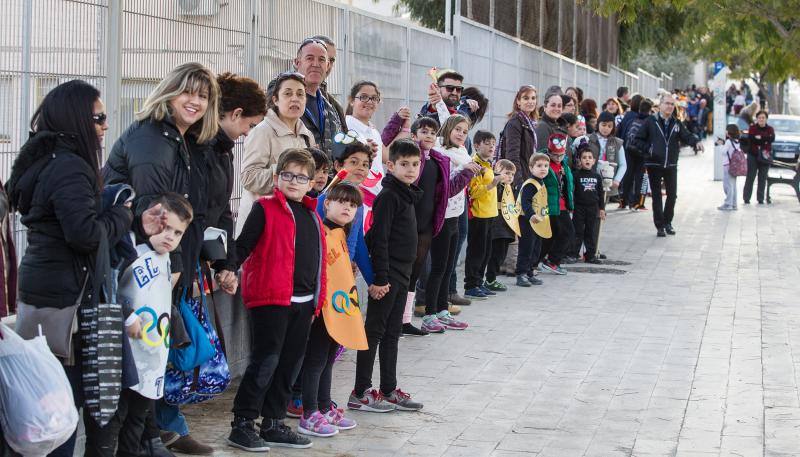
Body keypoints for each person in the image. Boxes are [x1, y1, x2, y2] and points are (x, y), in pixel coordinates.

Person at [7, 80, 159, 457]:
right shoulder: (71, 167)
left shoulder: (45, 159)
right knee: (65, 403)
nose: (106, 125)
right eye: (99, 117)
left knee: (51, 399)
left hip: (44, 290)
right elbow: (86, 235)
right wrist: (122, 216)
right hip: (68, 301)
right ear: (77, 119)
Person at [103, 62, 220, 456]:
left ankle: (151, 437)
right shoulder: (153, 138)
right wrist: (171, 268)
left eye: (203, 96)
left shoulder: (181, 138)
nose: (195, 101)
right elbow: (156, 216)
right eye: (188, 92)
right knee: (139, 357)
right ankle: (136, 443)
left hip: (161, 263)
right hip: (139, 265)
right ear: (169, 92)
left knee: (155, 354)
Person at [228, 148, 325, 451]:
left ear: (312, 183)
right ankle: (242, 424)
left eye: (301, 177)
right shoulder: (265, 208)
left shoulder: (312, 215)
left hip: (304, 303)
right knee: (265, 362)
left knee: (289, 365)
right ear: (276, 177)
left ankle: (273, 422)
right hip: (272, 301)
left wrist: (316, 302)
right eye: (288, 175)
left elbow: (319, 262)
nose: (294, 181)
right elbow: (243, 245)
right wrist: (229, 268)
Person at [349, 139, 424, 412]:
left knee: (393, 332)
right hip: (389, 273)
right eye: (404, 164)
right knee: (375, 331)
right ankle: (360, 391)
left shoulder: (407, 194)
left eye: (415, 164)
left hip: (403, 273)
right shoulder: (389, 197)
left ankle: (389, 389)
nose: (411, 169)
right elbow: (377, 240)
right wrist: (380, 278)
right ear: (390, 165)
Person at [116, 193, 193, 457]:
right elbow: (112, 286)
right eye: (165, 228)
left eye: (178, 233)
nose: (170, 237)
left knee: (138, 417)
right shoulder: (131, 251)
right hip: (126, 355)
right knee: (122, 419)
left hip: (152, 355)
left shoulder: (166, 259)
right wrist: (127, 315)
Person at [388, 117, 474, 333]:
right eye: (424, 132)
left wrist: (466, 173)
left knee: (419, 272)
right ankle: (397, 321)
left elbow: (444, 191)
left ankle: (406, 321)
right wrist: (399, 123)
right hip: (410, 224)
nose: (428, 136)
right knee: (406, 274)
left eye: (432, 132)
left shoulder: (438, 161)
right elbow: (388, 152)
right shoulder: (415, 157)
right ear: (414, 135)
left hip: (429, 224)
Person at [298, 183, 363, 438]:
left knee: (327, 359)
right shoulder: (320, 231)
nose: (347, 207)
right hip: (321, 308)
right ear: (327, 203)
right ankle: (309, 413)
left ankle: (324, 407)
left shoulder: (340, 234)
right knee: (315, 361)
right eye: (342, 202)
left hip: (339, 308)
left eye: (353, 204)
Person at [206, 72, 267, 295]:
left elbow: (221, 211)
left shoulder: (223, 151)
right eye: (250, 125)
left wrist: (226, 263)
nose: (247, 134)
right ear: (236, 113)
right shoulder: (203, 147)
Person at [236, 72, 315, 235]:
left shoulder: (307, 135)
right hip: (261, 223)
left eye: (300, 94)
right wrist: (284, 175)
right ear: (275, 100)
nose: (295, 99)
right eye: (288, 94)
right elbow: (248, 177)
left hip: (291, 221)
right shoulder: (262, 131)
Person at [632, 94, 703, 237]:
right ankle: (659, 226)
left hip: (670, 164)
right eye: (667, 103)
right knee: (657, 196)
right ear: (660, 105)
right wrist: (649, 149)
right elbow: (637, 140)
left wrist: (696, 142)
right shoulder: (650, 121)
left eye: (672, 104)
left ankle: (667, 222)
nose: (670, 106)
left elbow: (686, 135)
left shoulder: (676, 123)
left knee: (672, 195)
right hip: (654, 163)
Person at [463, 130, 501, 300]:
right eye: (487, 143)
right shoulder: (475, 164)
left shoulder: (488, 164)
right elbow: (472, 191)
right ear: (477, 145)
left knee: (486, 251)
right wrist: (492, 184)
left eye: (493, 144)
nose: (491, 147)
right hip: (478, 214)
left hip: (490, 213)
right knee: (476, 251)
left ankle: (479, 282)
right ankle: (471, 285)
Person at [295, 38, 344, 157]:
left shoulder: (331, 106)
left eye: (321, 60)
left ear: (327, 66)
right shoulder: (284, 100)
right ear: (297, 63)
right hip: (298, 174)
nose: (316, 64)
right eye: (310, 58)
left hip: (328, 174)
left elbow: (340, 147)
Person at [539, 133, 574, 275]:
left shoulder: (564, 163)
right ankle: (552, 261)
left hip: (562, 204)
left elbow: (567, 184)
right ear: (548, 152)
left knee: (555, 235)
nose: (558, 158)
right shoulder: (543, 163)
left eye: (561, 155)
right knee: (564, 233)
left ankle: (539, 261)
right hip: (551, 205)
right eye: (555, 155)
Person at [515, 153, 550, 286]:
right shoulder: (530, 184)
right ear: (531, 168)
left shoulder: (540, 182)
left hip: (538, 221)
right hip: (527, 220)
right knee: (526, 247)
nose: (543, 168)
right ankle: (521, 274)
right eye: (539, 165)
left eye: (546, 166)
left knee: (536, 247)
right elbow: (526, 202)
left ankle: (530, 272)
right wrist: (531, 215)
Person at [571, 144, 606, 263]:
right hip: (579, 207)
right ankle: (573, 253)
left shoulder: (597, 176)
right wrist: (571, 206)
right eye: (584, 157)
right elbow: (572, 191)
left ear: (594, 160)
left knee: (590, 231)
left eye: (590, 157)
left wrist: (602, 209)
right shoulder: (576, 175)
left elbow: (600, 193)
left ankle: (590, 255)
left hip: (593, 207)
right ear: (580, 160)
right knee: (578, 231)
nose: (587, 159)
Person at [485, 159, 517, 290]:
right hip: (497, 226)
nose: (510, 176)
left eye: (512, 174)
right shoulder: (497, 186)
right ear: (497, 173)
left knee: (502, 254)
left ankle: (492, 279)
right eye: (507, 173)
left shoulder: (509, 188)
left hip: (507, 226)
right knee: (495, 254)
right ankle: (490, 280)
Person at [621, 99, 654, 210]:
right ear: (650, 110)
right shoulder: (650, 122)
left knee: (628, 176)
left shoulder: (632, 119)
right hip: (642, 153)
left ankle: (624, 200)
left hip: (629, 150)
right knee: (642, 177)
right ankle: (638, 203)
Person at [587, 111, 627, 204]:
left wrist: (617, 180)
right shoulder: (588, 139)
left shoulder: (617, 143)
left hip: (607, 182)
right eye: (604, 125)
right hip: (590, 180)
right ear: (598, 124)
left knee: (602, 208)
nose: (606, 128)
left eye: (609, 126)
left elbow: (623, 164)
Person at [743, 110, 775, 205]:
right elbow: (752, 139)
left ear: (766, 119)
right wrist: (765, 139)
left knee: (762, 177)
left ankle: (760, 199)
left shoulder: (770, 129)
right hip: (753, 155)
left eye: (763, 118)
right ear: (757, 119)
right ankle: (746, 198)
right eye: (759, 118)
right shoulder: (752, 128)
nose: (761, 119)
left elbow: (771, 139)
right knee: (750, 177)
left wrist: (760, 138)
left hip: (765, 156)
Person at [719, 124, 742, 211]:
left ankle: (728, 204)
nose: (725, 131)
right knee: (733, 186)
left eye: (726, 130)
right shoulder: (737, 141)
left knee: (727, 185)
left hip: (727, 165)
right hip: (734, 166)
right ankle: (734, 204)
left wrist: (721, 145)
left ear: (729, 132)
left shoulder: (728, 142)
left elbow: (723, 152)